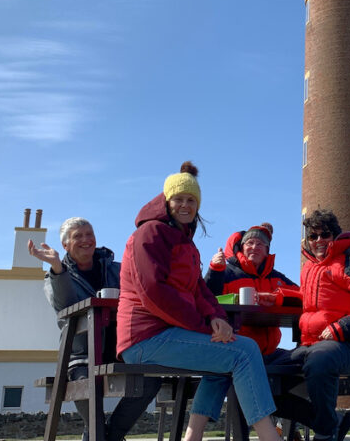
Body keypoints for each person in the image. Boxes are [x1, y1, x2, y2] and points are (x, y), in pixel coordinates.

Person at [116, 161, 283, 441]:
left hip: (167, 334)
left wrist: (217, 317)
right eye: (179, 199)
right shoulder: (151, 233)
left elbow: (199, 290)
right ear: (167, 201)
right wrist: (204, 327)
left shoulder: (183, 240)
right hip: (145, 337)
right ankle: (270, 436)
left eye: (191, 200)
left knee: (228, 351)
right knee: (244, 352)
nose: (185, 205)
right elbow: (153, 292)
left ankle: (192, 437)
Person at [29, 217, 159, 441]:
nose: (86, 240)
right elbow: (65, 307)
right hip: (82, 357)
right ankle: (102, 435)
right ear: (65, 245)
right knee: (89, 392)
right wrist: (58, 268)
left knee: (151, 381)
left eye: (89, 234)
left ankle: (111, 436)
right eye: (78, 236)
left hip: (121, 351)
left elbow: (142, 289)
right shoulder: (54, 277)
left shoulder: (117, 269)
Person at [277, 209, 350, 441]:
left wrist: (340, 328)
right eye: (313, 236)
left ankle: (324, 434)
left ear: (336, 235)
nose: (319, 240)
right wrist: (276, 298)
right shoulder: (309, 268)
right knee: (258, 371)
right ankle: (332, 423)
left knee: (320, 362)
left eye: (325, 234)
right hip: (312, 344)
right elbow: (310, 301)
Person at [204, 223, 299, 364]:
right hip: (236, 350)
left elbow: (304, 296)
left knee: (303, 359)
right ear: (242, 247)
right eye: (250, 243)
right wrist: (215, 270)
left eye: (260, 244)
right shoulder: (227, 272)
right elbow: (206, 298)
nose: (254, 247)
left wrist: (276, 298)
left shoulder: (277, 278)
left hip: (270, 353)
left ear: (267, 251)